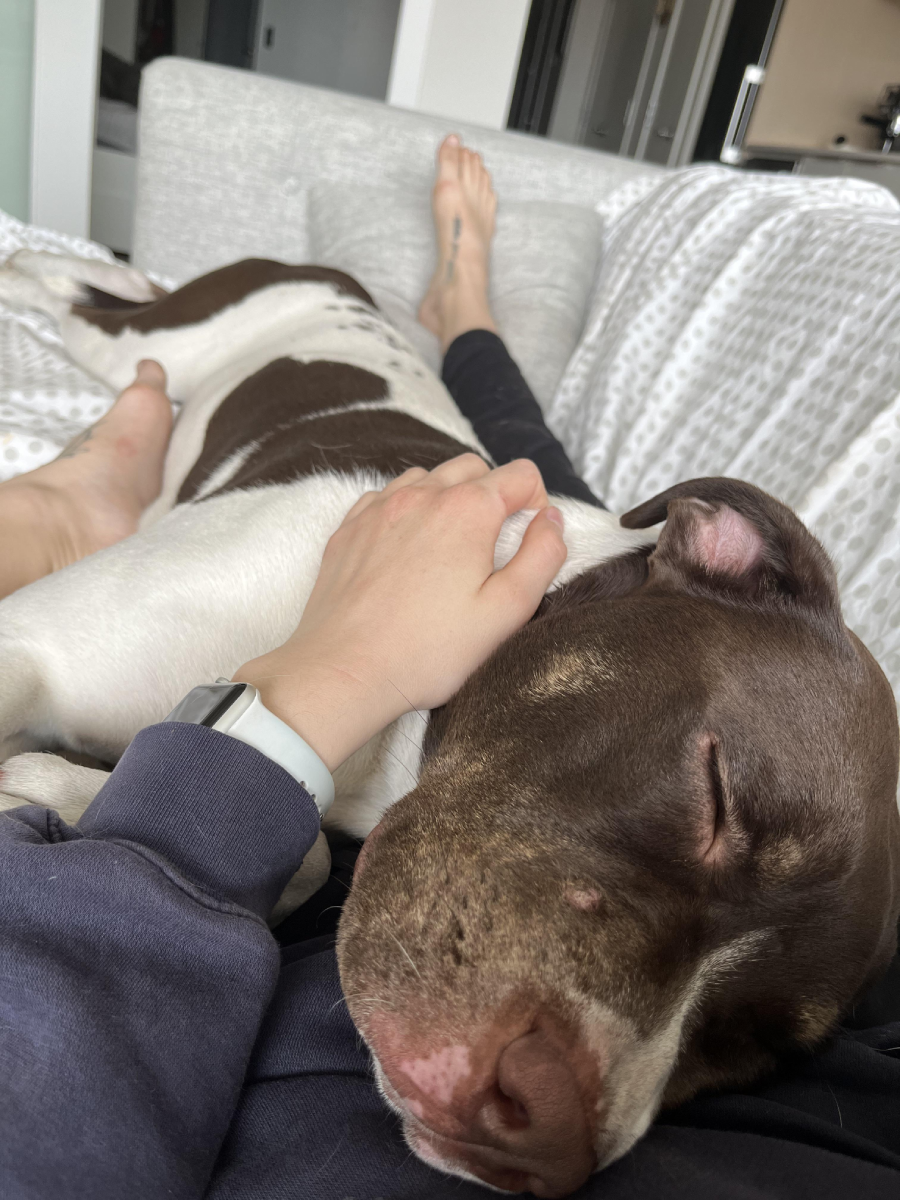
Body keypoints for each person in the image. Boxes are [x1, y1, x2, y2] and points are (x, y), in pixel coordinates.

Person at [0, 138, 897, 1200]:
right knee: (98, 329)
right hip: (310, 343)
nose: (595, 1097)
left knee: (545, 487)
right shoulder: (307, 555)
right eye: (706, 800)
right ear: (715, 542)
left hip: (584, 590)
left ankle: (94, 500)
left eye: (732, 1044)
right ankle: (451, 319)